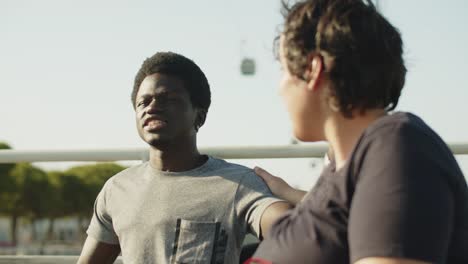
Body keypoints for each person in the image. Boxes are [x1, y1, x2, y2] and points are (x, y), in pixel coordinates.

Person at [248, 0, 468, 263]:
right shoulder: (351, 165)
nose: (280, 88)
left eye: (283, 69)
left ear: (313, 69)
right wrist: (288, 193)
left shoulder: (397, 145)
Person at [77, 51, 291, 264]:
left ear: (199, 115)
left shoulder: (239, 184)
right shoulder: (116, 190)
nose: (151, 107)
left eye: (168, 99)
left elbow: (293, 230)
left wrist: (293, 195)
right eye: (143, 102)